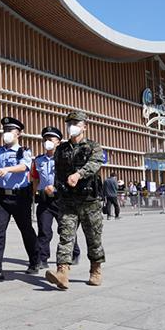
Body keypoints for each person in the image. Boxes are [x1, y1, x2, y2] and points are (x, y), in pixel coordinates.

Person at [46, 110, 106, 290]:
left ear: (84, 127)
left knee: (93, 238)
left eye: (76, 124)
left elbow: (95, 164)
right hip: (68, 201)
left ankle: (96, 269)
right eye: (70, 124)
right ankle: (62, 273)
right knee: (65, 237)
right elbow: (58, 173)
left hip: (89, 202)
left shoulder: (94, 147)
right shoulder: (61, 149)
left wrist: (78, 175)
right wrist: (55, 188)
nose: (72, 127)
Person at [0, 117, 39, 281]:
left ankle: (35, 260)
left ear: (18, 134)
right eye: (5, 130)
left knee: (26, 230)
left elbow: (24, 167)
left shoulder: (24, 151)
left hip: (19, 197)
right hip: (1, 197)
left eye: (10, 130)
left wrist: (7, 169)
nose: (6, 133)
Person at [31, 126, 80, 269]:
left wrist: (56, 188)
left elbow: (70, 179)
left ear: (58, 142)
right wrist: (34, 193)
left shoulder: (65, 159)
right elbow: (35, 178)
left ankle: (74, 252)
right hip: (44, 200)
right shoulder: (38, 160)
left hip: (61, 199)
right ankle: (42, 258)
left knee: (65, 229)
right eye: (45, 139)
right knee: (44, 230)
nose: (47, 142)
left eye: (51, 139)